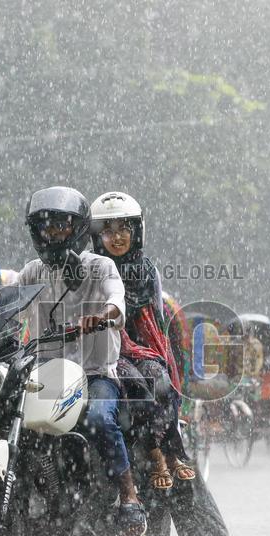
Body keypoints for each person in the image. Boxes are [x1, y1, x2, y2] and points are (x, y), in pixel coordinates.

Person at [17, 186, 146, 536]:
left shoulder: (100, 266)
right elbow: (5, 302)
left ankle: (129, 496)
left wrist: (104, 315)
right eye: (46, 228)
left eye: (60, 226)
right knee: (12, 418)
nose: (52, 234)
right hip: (46, 373)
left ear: (76, 229)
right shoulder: (31, 272)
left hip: (94, 374)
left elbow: (116, 298)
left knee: (98, 419)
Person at [89, 191, 195, 492]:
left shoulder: (148, 271)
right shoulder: (89, 270)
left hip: (143, 347)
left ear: (136, 232)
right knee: (135, 384)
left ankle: (167, 447)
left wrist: (154, 354)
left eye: (124, 228)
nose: (117, 237)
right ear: (97, 238)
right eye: (107, 231)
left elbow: (158, 323)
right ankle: (152, 451)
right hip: (105, 349)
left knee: (159, 380)